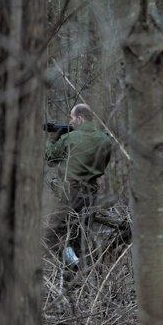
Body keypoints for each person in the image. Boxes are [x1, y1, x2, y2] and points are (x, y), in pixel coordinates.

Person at [45, 104, 112, 267]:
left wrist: (53, 138)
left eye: (72, 117)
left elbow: (50, 158)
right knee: (80, 237)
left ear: (80, 118)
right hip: (91, 195)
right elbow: (105, 163)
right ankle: (80, 278)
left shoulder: (70, 138)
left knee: (52, 233)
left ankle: (73, 264)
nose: (70, 121)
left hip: (71, 194)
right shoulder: (105, 139)